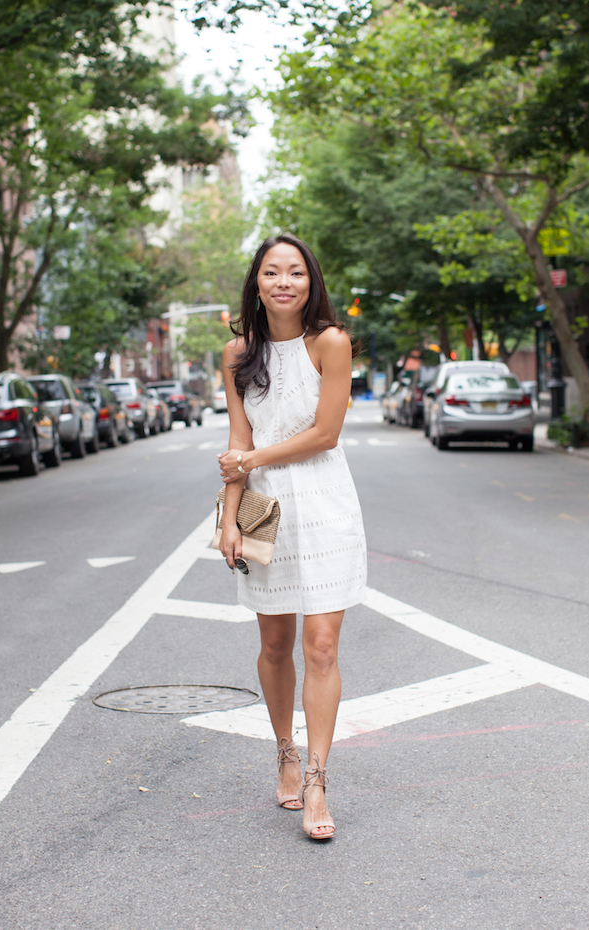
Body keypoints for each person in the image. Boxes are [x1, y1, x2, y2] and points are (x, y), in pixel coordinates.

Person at [217, 234, 367, 840]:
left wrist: (250, 462)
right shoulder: (235, 354)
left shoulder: (330, 342)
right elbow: (237, 443)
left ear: (312, 281)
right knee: (276, 643)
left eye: (296, 272)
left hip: (325, 500)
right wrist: (230, 519)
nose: (284, 282)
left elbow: (326, 433)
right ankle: (283, 750)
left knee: (322, 646)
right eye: (273, 272)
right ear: (257, 281)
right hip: (263, 505)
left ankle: (316, 779)